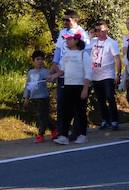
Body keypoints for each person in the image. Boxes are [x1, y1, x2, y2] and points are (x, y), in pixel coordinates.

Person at [51, 10, 90, 138]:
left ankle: (78, 132)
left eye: (67, 20)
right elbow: (58, 49)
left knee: (77, 107)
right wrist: (55, 65)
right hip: (63, 73)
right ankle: (62, 132)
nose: (65, 22)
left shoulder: (81, 33)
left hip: (77, 76)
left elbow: (86, 54)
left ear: (75, 19)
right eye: (64, 20)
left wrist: (85, 84)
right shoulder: (63, 32)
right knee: (63, 104)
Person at [90, 20, 122, 130]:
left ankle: (114, 120)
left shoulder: (111, 42)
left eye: (101, 30)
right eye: (96, 30)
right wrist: (90, 35)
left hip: (107, 74)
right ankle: (105, 120)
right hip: (95, 74)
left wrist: (118, 74)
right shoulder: (92, 41)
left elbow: (117, 58)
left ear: (106, 30)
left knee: (109, 96)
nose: (98, 33)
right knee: (100, 99)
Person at [24, 50, 54, 143]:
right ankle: (55, 130)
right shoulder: (30, 72)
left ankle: (40, 135)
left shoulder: (46, 72)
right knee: (43, 116)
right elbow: (27, 86)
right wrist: (26, 98)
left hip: (43, 97)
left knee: (42, 116)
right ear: (33, 61)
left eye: (41, 59)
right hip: (34, 98)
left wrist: (50, 79)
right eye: (37, 59)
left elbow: (52, 80)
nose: (40, 61)